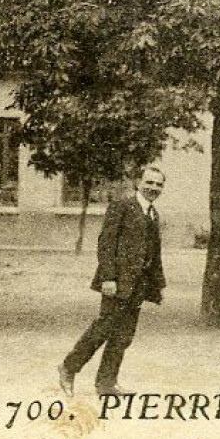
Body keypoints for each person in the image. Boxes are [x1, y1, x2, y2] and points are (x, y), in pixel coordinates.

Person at [59, 166, 166, 397]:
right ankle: (68, 368)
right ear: (138, 182)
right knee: (103, 329)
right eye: (149, 182)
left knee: (124, 335)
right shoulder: (122, 206)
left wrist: (157, 286)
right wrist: (108, 278)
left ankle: (107, 383)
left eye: (158, 185)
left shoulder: (153, 214)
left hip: (138, 286)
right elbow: (106, 242)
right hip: (116, 283)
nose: (153, 188)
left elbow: (154, 254)